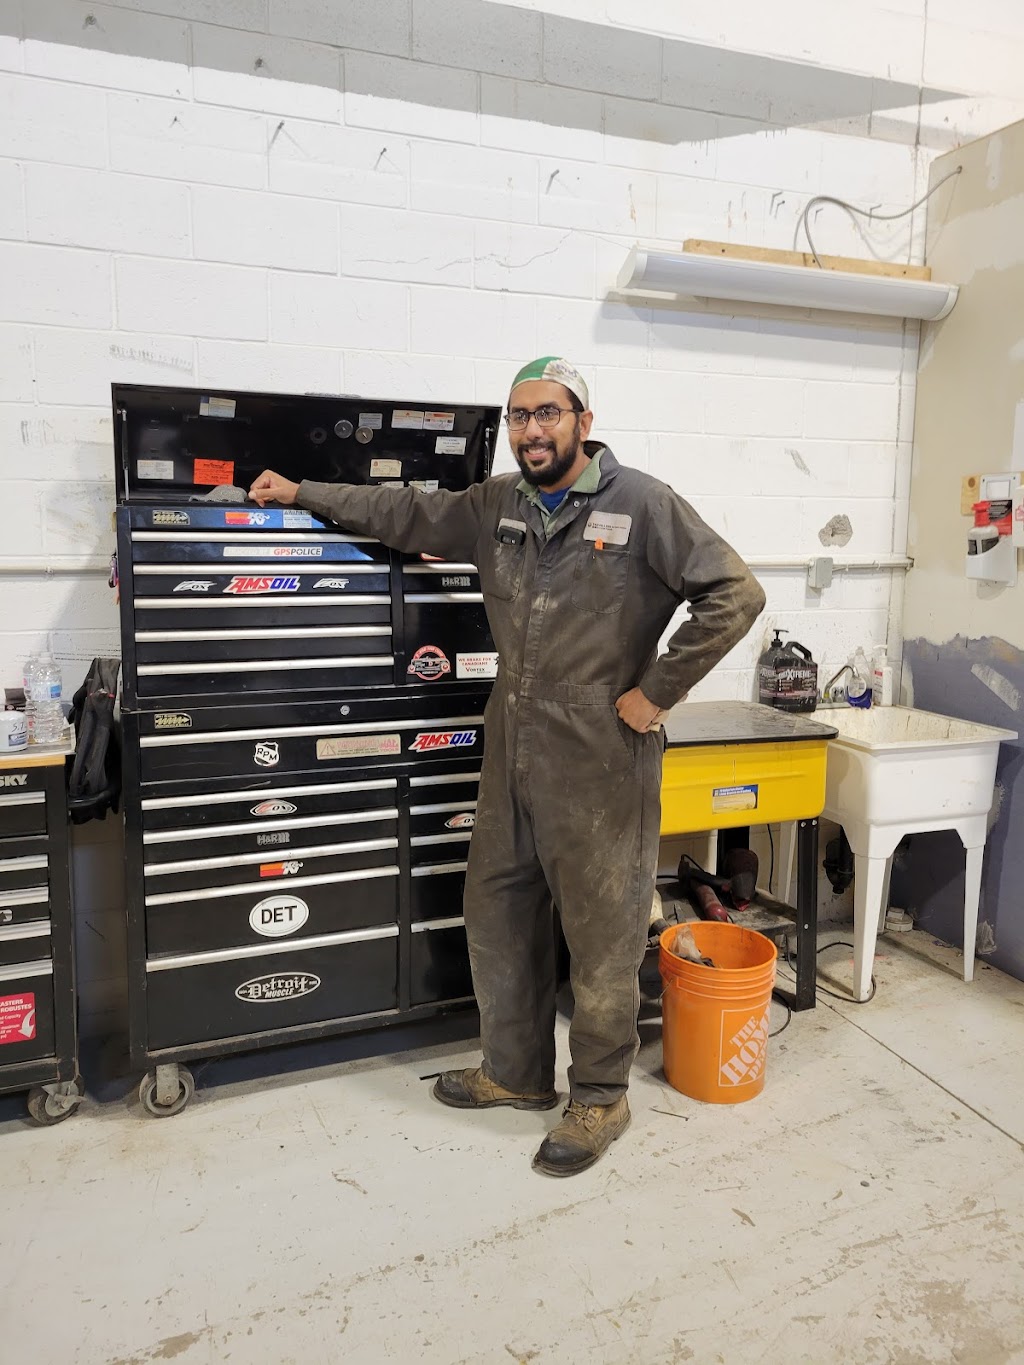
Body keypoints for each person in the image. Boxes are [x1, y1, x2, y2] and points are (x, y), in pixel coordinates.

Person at [250, 356, 765, 1177]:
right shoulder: (499, 504)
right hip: (512, 739)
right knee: (497, 911)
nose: (532, 429)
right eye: (520, 415)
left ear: (583, 421)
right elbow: (405, 512)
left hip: (601, 752)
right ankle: (516, 1071)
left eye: (548, 413)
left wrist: (657, 692)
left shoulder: (642, 503)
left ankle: (601, 1095)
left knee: (601, 933)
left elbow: (735, 593)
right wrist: (303, 491)